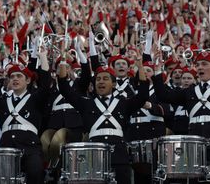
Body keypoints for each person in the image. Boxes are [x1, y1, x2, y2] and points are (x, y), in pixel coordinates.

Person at [153, 42, 210, 184]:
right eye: (198, 64)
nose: (200, 67)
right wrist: (158, 70)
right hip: (195, 146)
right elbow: (163, 95)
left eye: (204, 64)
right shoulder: (190, 91)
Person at [58, 50, 149, 184]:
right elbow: (65, 89)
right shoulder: (86, 103)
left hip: (119, 156)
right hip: (94, 155)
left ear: (113, 84)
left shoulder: (124, 103)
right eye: (98, 79)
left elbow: (143, 96)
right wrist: (63, 61)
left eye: (105, 78)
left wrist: (140, 66)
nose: (101, 82)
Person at [0, 48, 51, 184]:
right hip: (6, 147)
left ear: (28, 81)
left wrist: (43, 58)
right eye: (12, 77)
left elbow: (46, 86)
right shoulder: (2, 101)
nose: (15, 79)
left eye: (19, 76)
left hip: (30, 146)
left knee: (35, 173)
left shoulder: (35, 99)